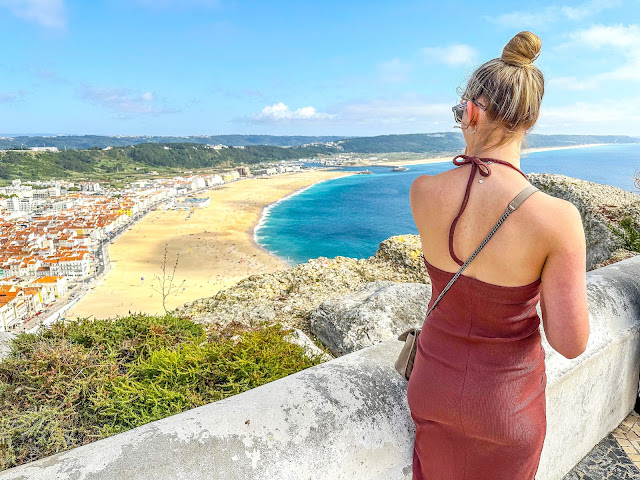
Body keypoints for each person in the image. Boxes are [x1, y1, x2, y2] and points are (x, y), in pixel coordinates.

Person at [407, 31, 590, 480]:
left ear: (470, 112)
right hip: (507, 405)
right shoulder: (556, 218)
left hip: (431, 387)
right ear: (529, 121)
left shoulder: (423, 192)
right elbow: (570, 342)